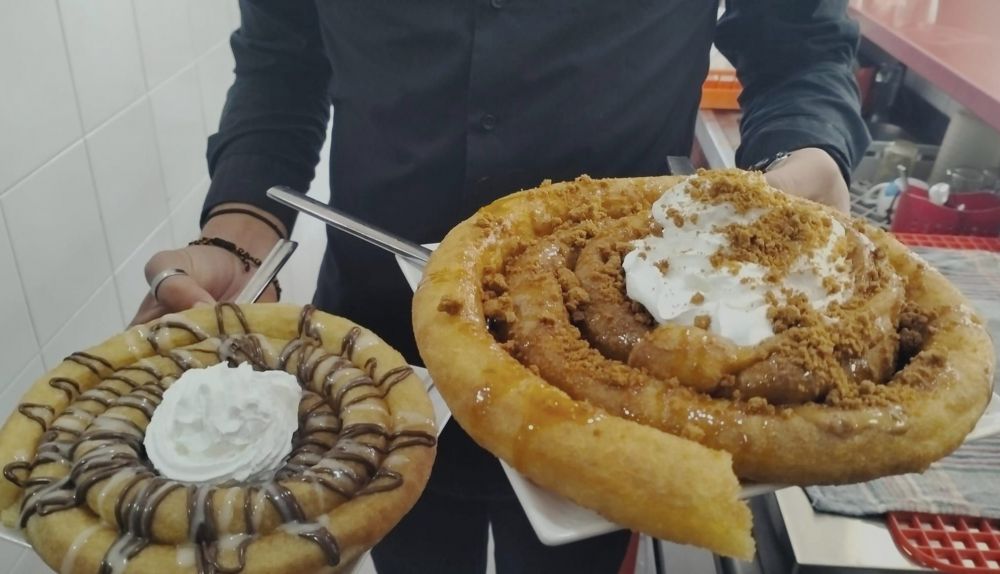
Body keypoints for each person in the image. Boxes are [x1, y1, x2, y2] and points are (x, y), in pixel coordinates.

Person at [133, 1, 870, 571]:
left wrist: (807, 150)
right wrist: (241, 231)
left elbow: (798, 42)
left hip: (623, 362)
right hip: (385, 354)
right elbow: (282, 63)